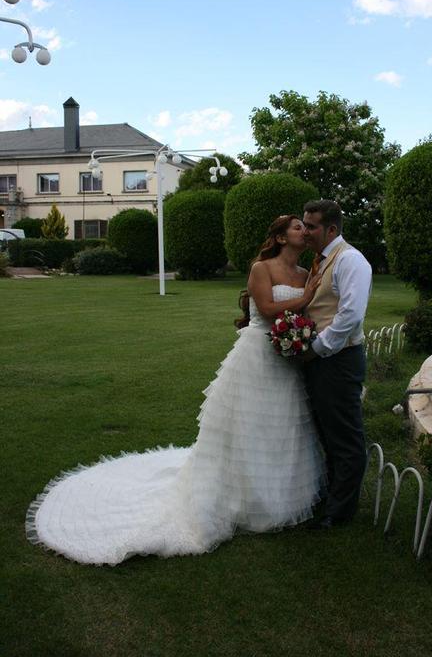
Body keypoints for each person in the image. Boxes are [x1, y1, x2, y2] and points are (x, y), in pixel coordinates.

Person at [26, 215, 326, 565]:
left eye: (305, 229)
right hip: (258, 355)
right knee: (248, 425)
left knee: (281, 426)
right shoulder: (264, 268)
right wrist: (304, 298)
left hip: (287, 358)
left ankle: (277, 497)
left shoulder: (306, 274)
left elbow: (305, 310)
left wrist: (301, 328)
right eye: (296, 228)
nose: (303, 232)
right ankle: (238, 498)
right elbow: (268, 308)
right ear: (279, 236)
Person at [302, 200, 372, 530]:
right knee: (326, 432)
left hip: (339, 360)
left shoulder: (350, 260)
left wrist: (317, 347)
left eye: (312, 226)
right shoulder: (320, 261)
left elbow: (350, 315)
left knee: (345, 437)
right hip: (322, 360)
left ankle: (339, 513)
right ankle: (330, 497)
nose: (305, 231)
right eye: (304, 224)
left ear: (331, 229)